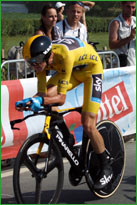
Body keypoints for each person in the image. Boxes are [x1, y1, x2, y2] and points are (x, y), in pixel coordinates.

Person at [16, 35, 113, 190]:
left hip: (91, 72)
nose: (33, 66)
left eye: (35, 62)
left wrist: (40, 101)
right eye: (30, 63)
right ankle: (68, 142)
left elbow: (60, 99)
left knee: (88, 124)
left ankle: (106, 166)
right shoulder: (41, 60)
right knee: (47, 96)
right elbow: (42, 94)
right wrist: (28, 101)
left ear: (48, 56)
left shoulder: (64, 55)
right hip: (73, 70)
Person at [109, 1, 136, 67]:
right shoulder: (116, 23)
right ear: (122, 6)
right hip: (121, 64)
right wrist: (130, 38)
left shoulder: (135, 21)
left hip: (134, 62)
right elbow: (112, 45)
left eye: (133, 7)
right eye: (128, 7)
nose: (131, 10)